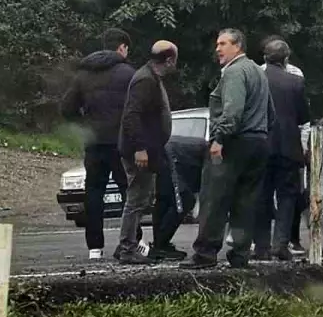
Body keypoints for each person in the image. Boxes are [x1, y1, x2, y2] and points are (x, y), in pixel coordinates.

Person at [181, 29, 272, 269]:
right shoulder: (258, 72)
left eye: (223, 44)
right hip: (258, 142)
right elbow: (270, 113)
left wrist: (219, 139)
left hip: (234, 141)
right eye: (217, 44)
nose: (217, 49)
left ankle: (205, 254)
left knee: (214, 198)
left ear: (238, 46)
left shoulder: (234, 72)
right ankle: (240, 254)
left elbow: (232, 111)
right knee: (246, 202)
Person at [61, 28, 138, 259]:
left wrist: (86, 125)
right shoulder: (128, 74)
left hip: (94, 144)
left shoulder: (83, 75)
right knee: (129, 192)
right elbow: (138, 107)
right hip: (120, 143)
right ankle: (133, 241)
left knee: (94, 193)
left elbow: (66, 108)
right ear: (122, 47)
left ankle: (95, 247)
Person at [115, 41, 179, 264]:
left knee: (141, 200)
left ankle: (128, 245)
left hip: (148, 149)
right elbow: (131, 115)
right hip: (139, 151)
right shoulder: (145, 79)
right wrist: (140, 148)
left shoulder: (150, 76)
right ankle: (127, 248)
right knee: (136, 200)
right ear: (169, 60)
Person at [254, 38, 310, 261]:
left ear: (265, 57)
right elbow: (302, 118)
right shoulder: (295, 82)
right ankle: (281, 243)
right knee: (287, 196)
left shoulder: (255, 79)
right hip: (288, 147)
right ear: (286, 59)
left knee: (262, 196)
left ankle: (261, 246)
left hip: (260, 144)